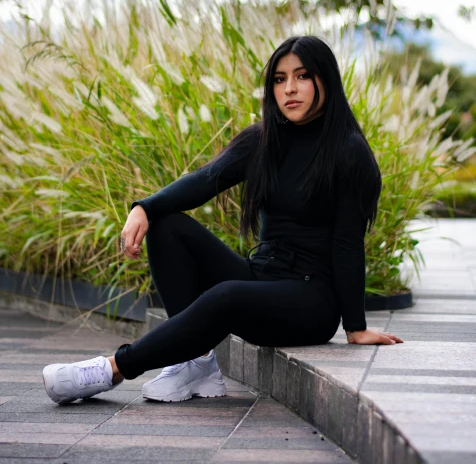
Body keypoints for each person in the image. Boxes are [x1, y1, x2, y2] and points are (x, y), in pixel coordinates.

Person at [42, 35, 403, 404]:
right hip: (261, 275)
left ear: (325, 79)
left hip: (312, 300)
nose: (290, 89)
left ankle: (111, 369)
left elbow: (347, 243)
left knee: (226, 296)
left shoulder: (349, 152)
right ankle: (196, 363)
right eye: (279, 79)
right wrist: (145, 208)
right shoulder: (265, 140)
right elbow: (206, 179)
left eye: (302, 76)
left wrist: (355, 327)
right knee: (167, 226)